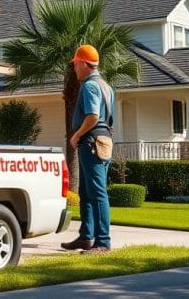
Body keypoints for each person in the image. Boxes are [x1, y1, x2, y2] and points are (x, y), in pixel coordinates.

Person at [60, 44, 114, 254]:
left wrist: (77, 135)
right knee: (87, 192)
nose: (74, 69)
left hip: (91, 141)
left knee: (97, 193)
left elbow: (92, 116)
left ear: (83, 63)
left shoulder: (90, 86)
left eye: (75, 64)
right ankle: (85, 237)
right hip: (102, 139)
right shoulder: (106, 86)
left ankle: (102, 242)